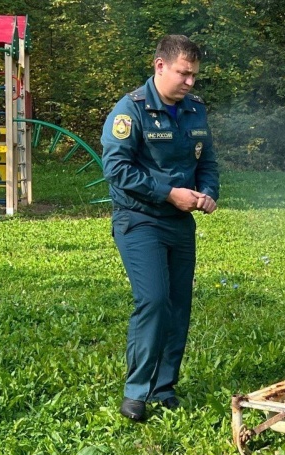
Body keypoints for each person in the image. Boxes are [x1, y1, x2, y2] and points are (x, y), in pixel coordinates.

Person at [101, 34, 219, 421]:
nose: (189, 83)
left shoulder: (195, 110)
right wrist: (168, 193)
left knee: (177, 306)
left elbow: (207, 162)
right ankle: (136, 393)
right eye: (184, 74)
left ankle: (164, 388)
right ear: (160, 66)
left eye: (194, 76)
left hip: (180, 223)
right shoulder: (129, 110)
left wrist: (207, 193)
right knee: (153, 300)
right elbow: (116, 169)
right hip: (139, 219)